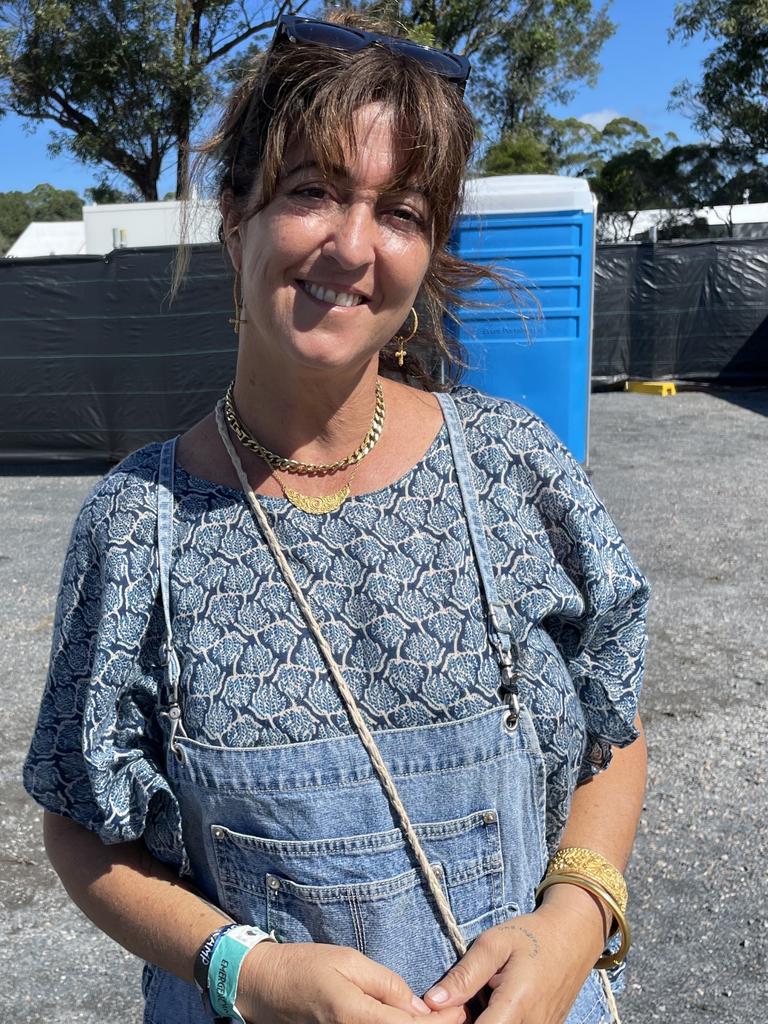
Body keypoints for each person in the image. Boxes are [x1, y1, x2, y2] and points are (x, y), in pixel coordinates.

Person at [23, 12, 650, 1024]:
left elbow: (612, 728)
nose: (352, 244)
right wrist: (247, 969)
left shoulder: (514, 466)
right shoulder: (138, 524)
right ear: (236, 216)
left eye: (398, 209)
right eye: (313, 189)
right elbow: (82, 827)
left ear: (430, 248)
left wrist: (577, 917)